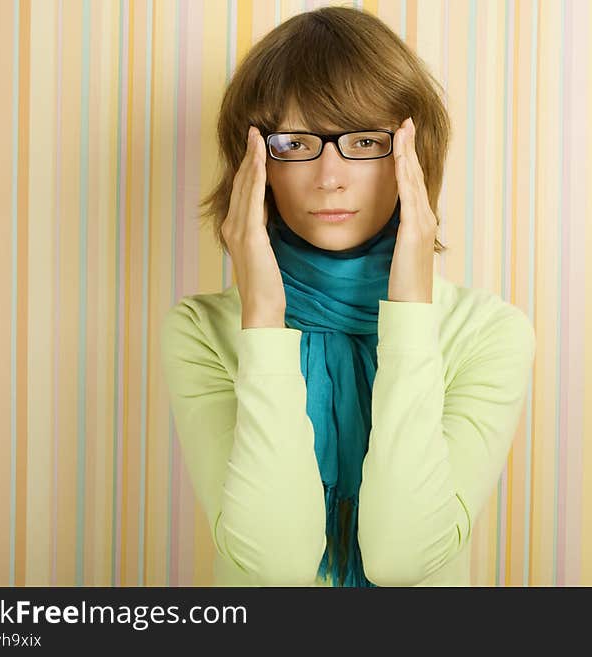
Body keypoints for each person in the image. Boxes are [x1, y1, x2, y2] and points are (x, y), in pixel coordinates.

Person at [160, 6, 535, 587]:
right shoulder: (203, 330)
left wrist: (410, 312)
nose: (329, 176)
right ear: (253, 164)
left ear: (414, 155)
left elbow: (402, 559)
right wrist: (263, 318)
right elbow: (276, 565)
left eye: (363, 140)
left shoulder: (488, 331)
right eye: (294, 142)